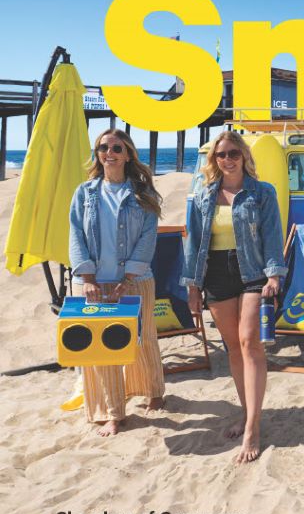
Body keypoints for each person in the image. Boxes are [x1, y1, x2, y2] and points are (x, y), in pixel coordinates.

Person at [183, 131, 286, 463]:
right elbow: (194, 243)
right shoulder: (203, 196)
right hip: (215, 273)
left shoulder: (261, 193)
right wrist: (193, 287)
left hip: (252, 271)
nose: (227, 159)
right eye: (220, 155)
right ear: (214, 160)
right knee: (233, 348)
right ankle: (246, 413)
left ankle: (253, 428)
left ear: (243, 156)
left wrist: (273, 274)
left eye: (232, 153)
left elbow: (272, 235)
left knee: (249, 342)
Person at [69, 129, 164, 437]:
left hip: (136, 281)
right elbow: (75, 235)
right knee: (101, 350)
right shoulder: (85, 192)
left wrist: (129, 278)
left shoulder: (143, 194)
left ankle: (154, 391)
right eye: (103, 147)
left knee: (144, 340)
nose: (109, 152)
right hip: (95, 284)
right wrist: (87, 277)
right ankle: (114, 413)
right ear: (98, 154)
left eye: (116, 147)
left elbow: (148, 239)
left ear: (127, 154)